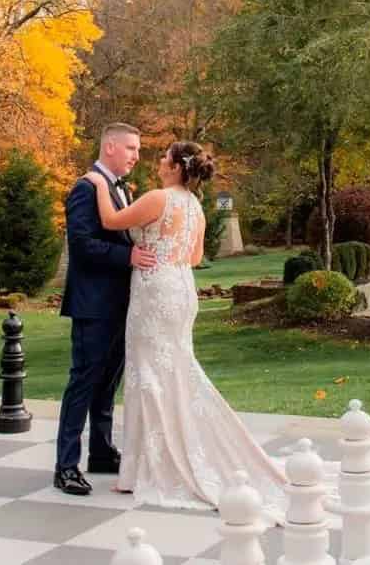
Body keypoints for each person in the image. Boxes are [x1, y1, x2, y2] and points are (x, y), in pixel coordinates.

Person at [85, 140, 286, 515]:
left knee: (149, 375)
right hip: (181, 288)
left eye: (165, 157)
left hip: (155, 289)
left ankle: (144, 469)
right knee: (174, 369)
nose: (159, 161)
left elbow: (111, 221)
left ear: (177, 167)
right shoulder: (195, 207)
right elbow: (194, 256)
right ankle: (164, 453)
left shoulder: (158, 198)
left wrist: (100, 187)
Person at [54, 122, 157, 496]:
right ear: (110, 147)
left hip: (121, 305)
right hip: (93, 306)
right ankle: (65, 466)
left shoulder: (121, 190)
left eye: (139, 149)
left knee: (108, 382)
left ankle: (100, 451)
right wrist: (127, 255)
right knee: (83, 381)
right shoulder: (85, 188)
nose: (135, 156)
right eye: (131, 148)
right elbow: (81, 245)